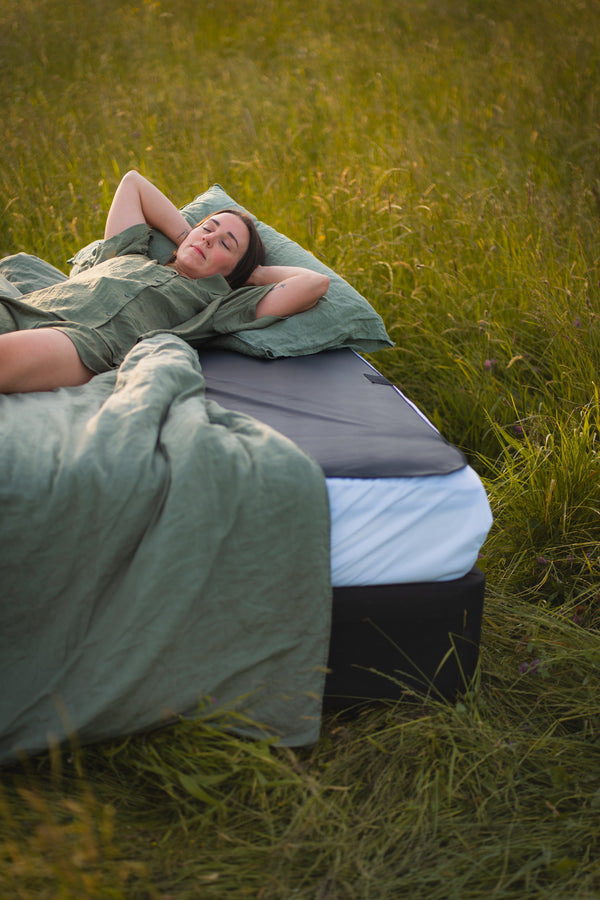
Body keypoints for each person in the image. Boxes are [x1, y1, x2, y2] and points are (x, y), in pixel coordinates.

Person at [0, 171, 330, 393]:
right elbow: (133, 183)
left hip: (83, 342)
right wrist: (190, 238)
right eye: (208, 228)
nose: (210, 238)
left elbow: (314, 284)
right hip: (30, 305)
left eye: (226, 244)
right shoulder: (131, 252)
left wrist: (251, 275)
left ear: (233, 272)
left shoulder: (217, 304)